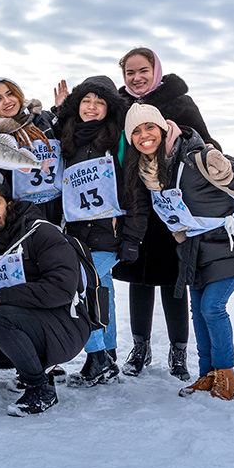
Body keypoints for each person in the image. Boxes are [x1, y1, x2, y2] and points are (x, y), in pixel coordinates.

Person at [123, 104, 234, 400]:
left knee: (213, 308)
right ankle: (207, 375)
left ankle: (227, 376)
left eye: (149, 127)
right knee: (199, 312)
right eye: (135, 131)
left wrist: (227, 169)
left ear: (163, 128)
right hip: (197, 246)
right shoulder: (148, 172)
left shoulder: (194, 155)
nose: (144, 135)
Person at [113, 47, 217, 379]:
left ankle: (178, 352)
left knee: (175, 281)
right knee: (138, 279)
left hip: (173, 207)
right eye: (130, 73)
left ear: (155, 70)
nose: (137, 78)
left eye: (143, 70)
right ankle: (140, 348)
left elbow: (208, 144)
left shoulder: (180, 104)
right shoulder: (120, 107)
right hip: (134, 206)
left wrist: (191, 141)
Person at [0, 182, 92, 415]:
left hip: (66, 326)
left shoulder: (41, 232)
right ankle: (31, 365)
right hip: (23, 325)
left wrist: (5, 297)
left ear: (9, 206)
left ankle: (40, 388)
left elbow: (62, 287)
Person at [54, 76, 143, 386]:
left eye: (100, 102)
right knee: (101, 288)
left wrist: (132, 238)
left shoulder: (119, 141)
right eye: (86, 100)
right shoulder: (70, 138)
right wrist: (60, 109)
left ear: (109, 109)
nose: (92, 106)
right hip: (78, 234)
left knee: (80, 285)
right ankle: (108, 352)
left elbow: (135, 192)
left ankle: (97, 358)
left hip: (110, 234)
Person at [0, 76, 62, 225]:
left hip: (58, 205)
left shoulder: (44, 118)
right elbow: (4, 190)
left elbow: (69, 140)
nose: (7, 101)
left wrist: (63, 110)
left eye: (10, 94)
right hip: (23, 214)